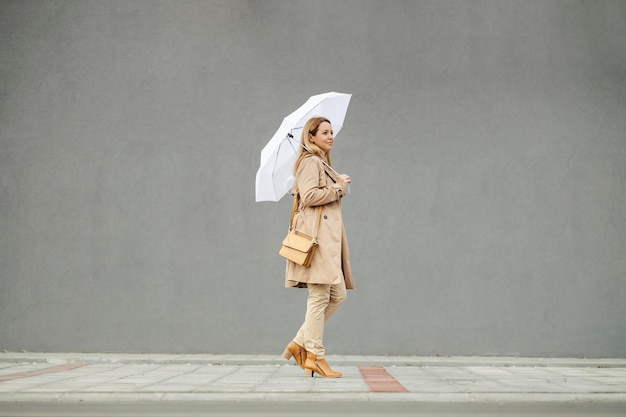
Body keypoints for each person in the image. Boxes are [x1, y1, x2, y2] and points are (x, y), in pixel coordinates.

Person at [281, 116, 354, 378]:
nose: (331, 136)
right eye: (324, 132)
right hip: (318, 242)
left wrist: (337, 183)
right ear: (310, 137)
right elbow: (310, 196)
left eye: (332, 132)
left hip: (326, 241)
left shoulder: (320, 162)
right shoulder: (310, 162)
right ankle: (315, 356)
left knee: (337, 295)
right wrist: (338, 188)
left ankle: (299, 343)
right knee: (320, 297)